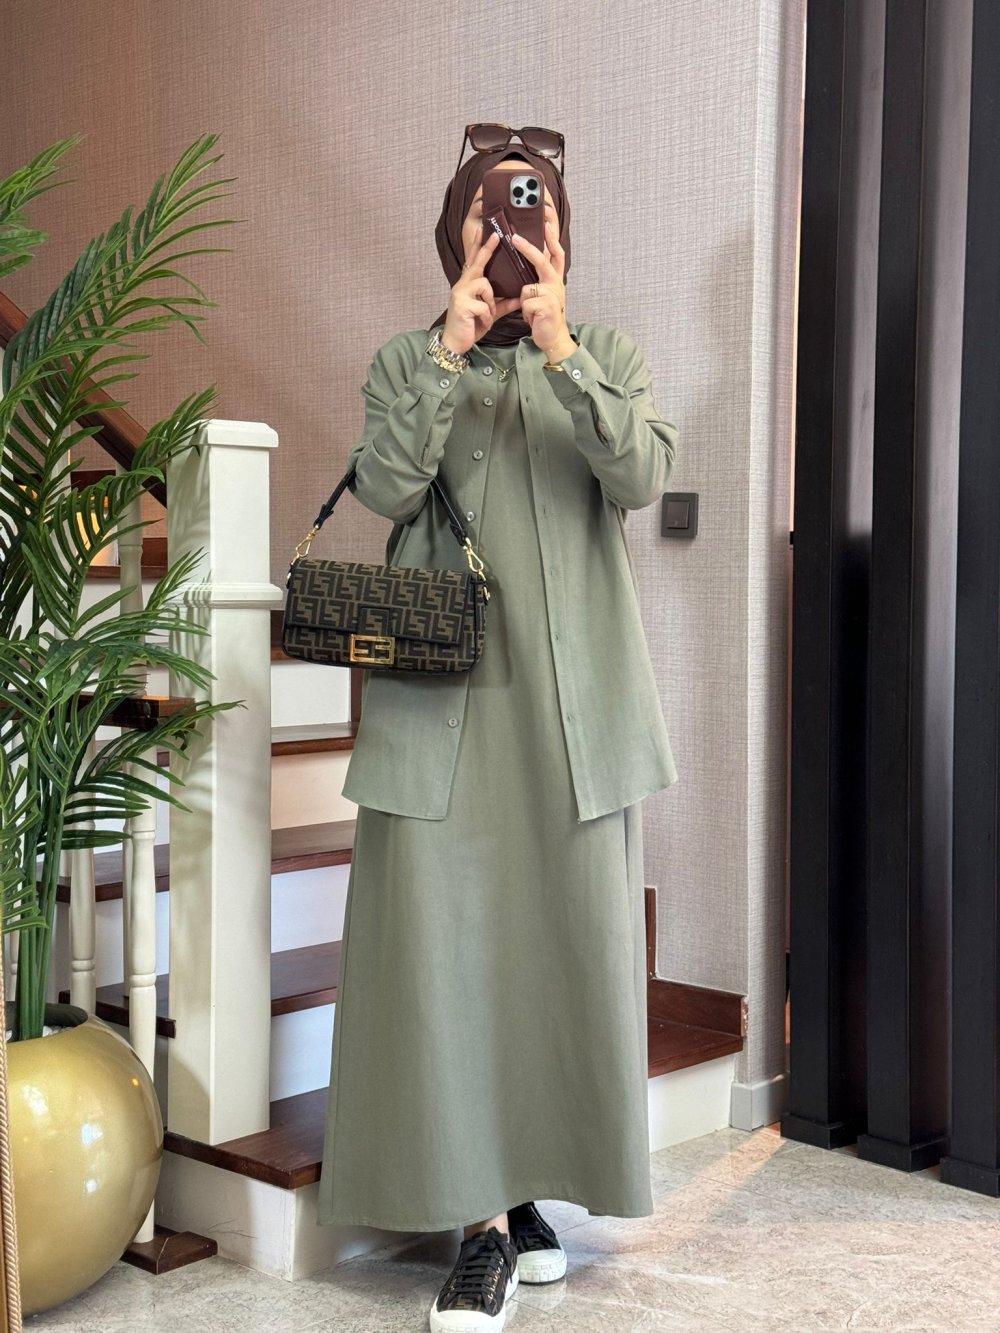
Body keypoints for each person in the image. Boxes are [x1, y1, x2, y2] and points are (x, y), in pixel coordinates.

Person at [316, 124, 679, 1333]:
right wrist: (449, 346)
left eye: (531, 211)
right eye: (489, 213)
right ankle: (474, 1228)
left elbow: (639, 477)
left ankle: (525, 1200)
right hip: (444, 707)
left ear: (561, 233)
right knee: (447, 958)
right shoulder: (409, 358)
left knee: (553, 956)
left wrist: (561, 347)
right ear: (454, 231)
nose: (511, 233)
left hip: (573, 719)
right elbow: (382, 486)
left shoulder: (604, 355)